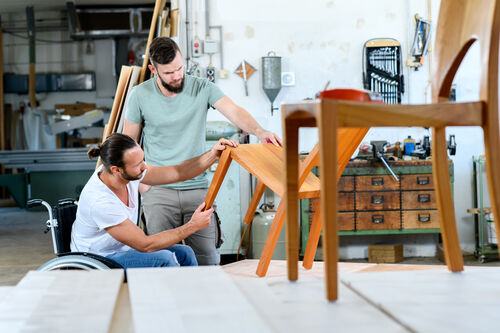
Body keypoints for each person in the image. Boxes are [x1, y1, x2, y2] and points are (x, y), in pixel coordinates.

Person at [123, 37, 282, 265]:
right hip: (157, 192)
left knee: (208, 259)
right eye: (169, 73)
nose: (177, 76)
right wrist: (138, 182)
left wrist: (260, 131)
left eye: (179, 68)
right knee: (161, 262)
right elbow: (129, 142)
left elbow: (234, 111)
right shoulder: (139, 95)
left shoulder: (202, 87)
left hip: (197, 190)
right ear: (153, 69)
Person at [70, 133, 237, 269]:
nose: (144, 167)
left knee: (185, 252)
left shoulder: (123, 172)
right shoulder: (100, 201)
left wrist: (212, 155)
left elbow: (178, 172)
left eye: (143, 160)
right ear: (116, 170)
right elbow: (145, 245)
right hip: (98, 258)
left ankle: (188, 300)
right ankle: (168, 306)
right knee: (164, 259)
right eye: (138, 164)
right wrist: (192, 225)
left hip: (123, 249)